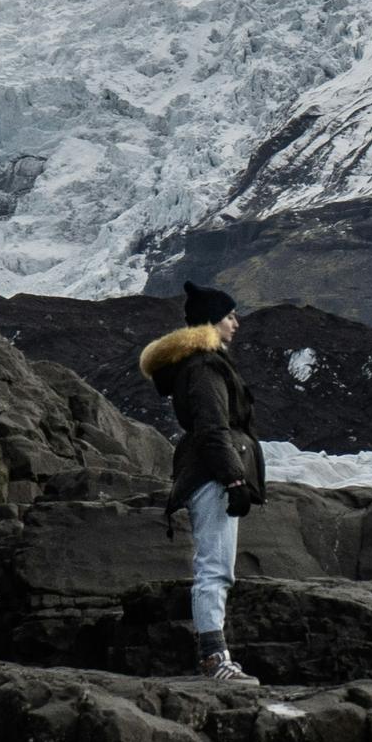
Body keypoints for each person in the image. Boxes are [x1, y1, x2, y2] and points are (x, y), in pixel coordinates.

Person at [140, 281, 266, 683]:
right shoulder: (206, 365)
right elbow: (213, 430)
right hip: (213, 475)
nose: (237, 323)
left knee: (215, 566)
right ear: (212, 323)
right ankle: (214, 660)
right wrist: (234, 480)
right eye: (230, 316)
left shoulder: (201, 363)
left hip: (210, 473)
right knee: (215, 569)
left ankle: (217, 657)